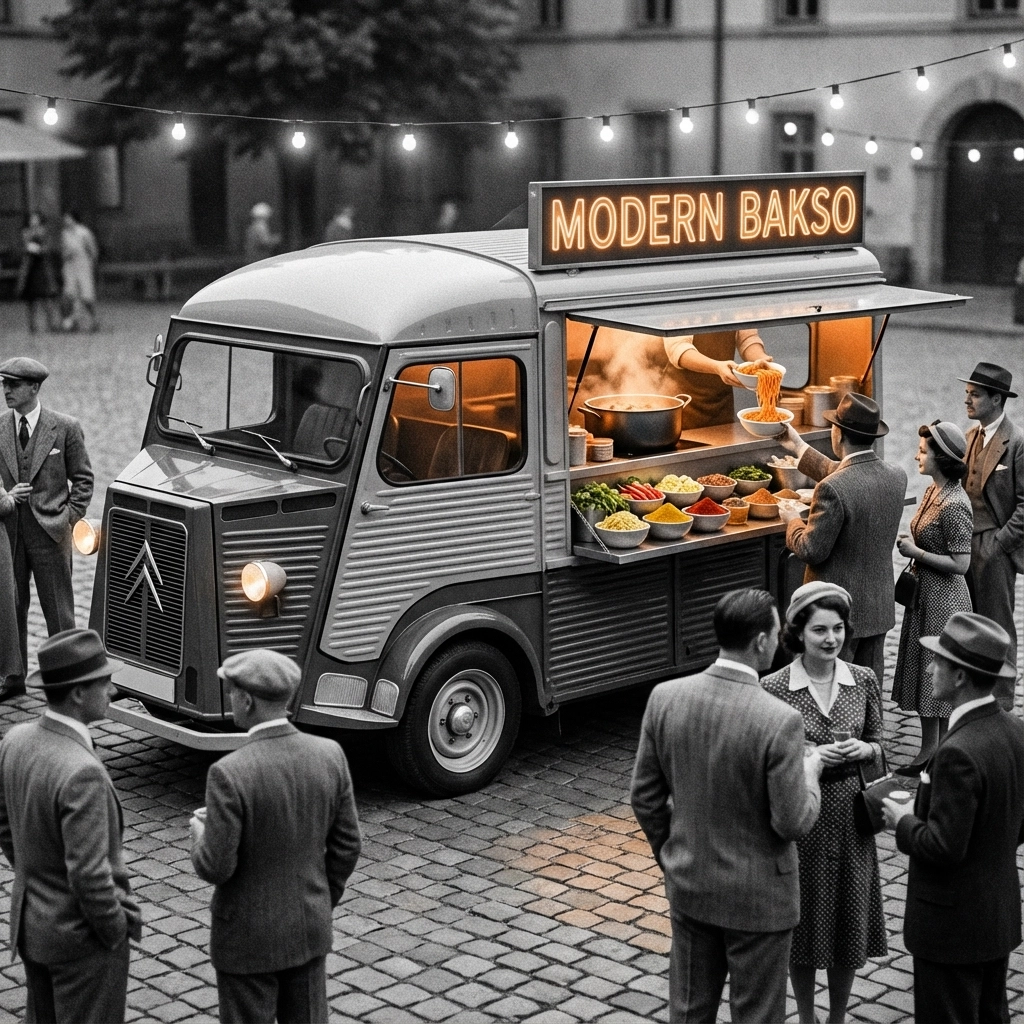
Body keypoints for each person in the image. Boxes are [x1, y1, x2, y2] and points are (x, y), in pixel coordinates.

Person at [631, 588, 823, 1023]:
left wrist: (673, 853)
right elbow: (792, 820)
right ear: (760, 641)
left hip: (691, 885)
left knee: (688, 1011)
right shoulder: (779, 721)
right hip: (760, 899)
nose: (778, 641)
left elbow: (644, 797)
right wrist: (810, 774)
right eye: (776, 632)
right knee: (756, 1015)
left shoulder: (665, 697)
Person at [190, 649, 362, 1024]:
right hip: (308, 927)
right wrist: (320, 897)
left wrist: (201, 834)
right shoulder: (330, 754)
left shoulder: (228, 773)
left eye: (233, 691)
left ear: (247, 701)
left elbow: (217, 866)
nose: (231, 698)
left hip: (247, 940)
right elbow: (348, 845)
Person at [883, 612, 1024, 1024]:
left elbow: (943, 847)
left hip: (951, 928)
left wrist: (904, 820)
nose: (929, 668)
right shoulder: (1015, 732)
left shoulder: (957, 752)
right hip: (996, 919)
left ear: (960, 677)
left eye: (938, 661)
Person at [0, 628, 142, 1024]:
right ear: (79, 693)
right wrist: (115, 932)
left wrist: (38, 869)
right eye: (105, 682)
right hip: (80, 943)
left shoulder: (15, 740)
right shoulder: (84, 773)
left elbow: (4, 823)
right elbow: (89, 876)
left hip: (32, 930)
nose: (112, 692)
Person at [762, 581, 887, 1024]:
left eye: (837, 629)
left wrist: (865, 752)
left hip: (853, 820)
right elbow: (766, 759)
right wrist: (810, 757)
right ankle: (807, 1016)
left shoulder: (864, 680)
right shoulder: (773, 687)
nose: (831, 639)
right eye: (819, 630)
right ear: (797, 633)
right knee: (804, 923)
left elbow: (878, 742)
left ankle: (837, 1016)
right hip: (804, 818)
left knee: (846, 922)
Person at [781, 392, 907, 689]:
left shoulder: (833, 488)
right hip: (877, 606)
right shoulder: (896, 476)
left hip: (837, 612)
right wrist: (797, 446)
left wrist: (792, 522)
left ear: (838, 434)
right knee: (868, 689)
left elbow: (811, 550)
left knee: (834, 690)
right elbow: (850, 474)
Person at [0, 357, 94, 701]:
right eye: (3, 384)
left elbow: (83, 479)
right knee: (12, 606)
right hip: (10, 534)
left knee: (58, 608)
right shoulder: (0, 427)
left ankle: (66, 677)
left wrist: (68, 518)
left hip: (51, 533)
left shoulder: (64, 427)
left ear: (34, 388)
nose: (6, 391)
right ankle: (13, 677)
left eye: (13, 385)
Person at [892, 421, 973, 773]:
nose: (917, 456)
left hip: (945, 602)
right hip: (926, 595)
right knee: (926, 674)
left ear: (941, 458)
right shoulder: (932, 491)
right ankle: (931, 752)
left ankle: (932, 756)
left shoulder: (955, 503)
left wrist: (915, 552)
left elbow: (961, 563)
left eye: (924, 452)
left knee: (933, 675)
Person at [961, 361, 1023, 711]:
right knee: (967, 622)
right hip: (962, 547)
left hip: (994, 547)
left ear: (997, 400)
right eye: (967, 394)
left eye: (976, 395)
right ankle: (972, 698)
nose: (968, 401)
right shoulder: (970, 437)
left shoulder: (1016, 443)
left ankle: (1002, 705)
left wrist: (1000, 546)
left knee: (998, 626)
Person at [663, 329, 776, 429]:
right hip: (685, 405)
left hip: (722, 406)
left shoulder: (735, 304)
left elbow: (747, 338)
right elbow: (678, 348)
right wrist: (716, 367)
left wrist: (760, 359)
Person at [16, 211, 59, 333]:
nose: (33, 221)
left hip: (41, 268)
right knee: (31, 299)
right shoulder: (25, 232)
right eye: (31, 219)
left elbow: (48, 247)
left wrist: (40, 249)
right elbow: (23, 247)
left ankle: (51, 324)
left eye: (35, 218)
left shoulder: (44, 231)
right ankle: (32, 325)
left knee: (46, 297)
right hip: (29, 269)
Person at [59, 211, 99, 332]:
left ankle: (93, 320)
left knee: (86, 296)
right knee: (70, 294)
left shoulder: (83, 232)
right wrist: (66, 254)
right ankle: (72, 322)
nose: (66, 221)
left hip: (83, 265)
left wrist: (91, 264)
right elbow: (63, 250)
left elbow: (92, 249)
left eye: (68, 218)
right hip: (70, 267)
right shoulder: (65, 233)